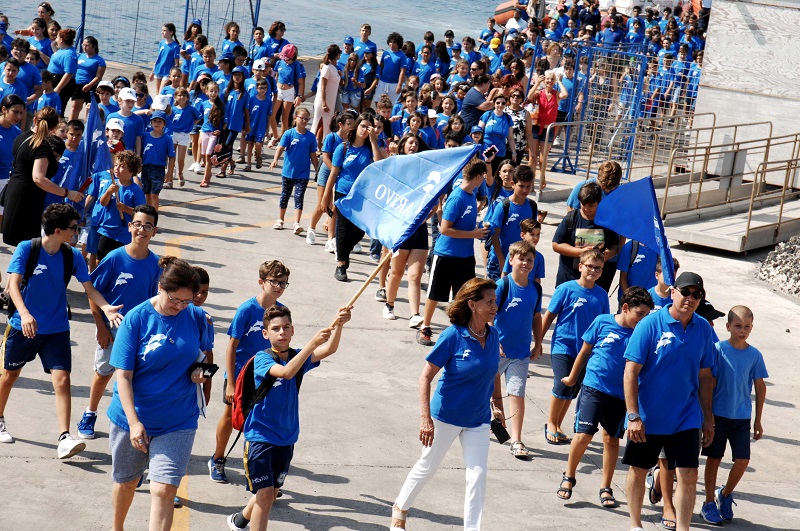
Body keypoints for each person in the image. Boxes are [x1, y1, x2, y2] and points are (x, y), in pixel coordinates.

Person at [0, 204, 123, 454]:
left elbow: (89, 288)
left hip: (56, 328)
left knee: (63, 380)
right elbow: (12, 285)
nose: (77, 232)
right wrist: (24, 314)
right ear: (58, 230)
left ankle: (64, 437)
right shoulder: (28, 249)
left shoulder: (72, 256)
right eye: (73, 228)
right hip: (22, 327)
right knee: (9, 376)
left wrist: (106, 308)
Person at [225, 304, 351, 531]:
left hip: (287, 437)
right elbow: (285, 372)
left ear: (292, 330)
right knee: (264, 497)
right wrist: (312, 344)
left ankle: (241, 519)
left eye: (286, 327)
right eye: (275, 329)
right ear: (265, 334)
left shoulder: (297, 357)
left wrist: (339, 324)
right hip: (260, 437)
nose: (281, 332)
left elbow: (329, 349)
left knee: (271, 493)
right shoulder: (261, 360)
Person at [108, 256, 212, 531]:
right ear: (160, 289)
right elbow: (123, 376)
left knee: (164, 490)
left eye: (186, 301)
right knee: (127, 482)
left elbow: (205, 359)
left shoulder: (197, 317)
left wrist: (200, 373)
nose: (180, 306)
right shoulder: (136, 319)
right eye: (174, 299)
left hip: (178, 420)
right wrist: (133, 423)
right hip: (133, 417)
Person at [392, 278, 499, 531]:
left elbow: (494, 373)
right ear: (472, 304)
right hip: (445, 417)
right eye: (490, 301)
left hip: (478, 420)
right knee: (427, 467)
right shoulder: (453, 335)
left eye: (495, 301)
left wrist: (497, 406)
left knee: (477, 477)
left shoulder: (493, 335)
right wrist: (425, 418)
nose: (496, 306)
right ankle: (400, 507)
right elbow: (425, 376)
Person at [623, 272, 716, 531]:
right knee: (639, 470)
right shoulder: (650, 325)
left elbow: (706, 376)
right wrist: (633, 415)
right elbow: (631, 371)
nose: (691, 298)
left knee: (688, 474)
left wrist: (708, 419)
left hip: (686, 416)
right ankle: (635, 524)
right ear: (672, 292)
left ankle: (684, 528)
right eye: (685, 292)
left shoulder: (704, 329)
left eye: (697, 294)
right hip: (648, 415)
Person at [556, 287, 653, 506]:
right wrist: (572, 378)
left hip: (620, 395)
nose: (642, 319)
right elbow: (584, 351)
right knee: (583, 435)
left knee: (611, 439)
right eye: (640, 314)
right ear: (625, 307)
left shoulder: (641, 334)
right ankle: (569, 476)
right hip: (594, 388)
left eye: (646, 316)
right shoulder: (602, 322)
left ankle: (606, 487)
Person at [75, 205, 161, 440]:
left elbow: (156, 301)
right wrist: (101, 327)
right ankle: (90, 412)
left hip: (140, 334)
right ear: (130, 226)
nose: (142, 230)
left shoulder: (155, 264)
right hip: (111, 331)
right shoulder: (114, 258)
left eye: (148, 226)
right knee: (103, 373)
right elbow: (92, 292)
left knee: (135, 379)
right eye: (138, 224)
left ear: (154, 231)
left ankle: (131, 420)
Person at [699, 305, 767, 525]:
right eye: (738, 326)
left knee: (743, 460)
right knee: (714, 458)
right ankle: (708, 502)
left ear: (751, 328)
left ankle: (725, 494)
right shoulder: (717, 350)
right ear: (728, 326)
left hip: (741, 418)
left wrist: (757, 420)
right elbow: (709, 383)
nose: (742, 330)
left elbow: (760, 386)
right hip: (718, 416)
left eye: (747, 326)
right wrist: (706, 417)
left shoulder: (755, 355)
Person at [417, 158, 490, 346]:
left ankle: (461, 330)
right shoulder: (457, 197)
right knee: (435, 293)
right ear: (478, 176)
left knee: (464, 297)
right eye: (483, 177)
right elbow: (445, 229)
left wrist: (478, 229)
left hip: (465, 257)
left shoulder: (471, 196)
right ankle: (425, 326)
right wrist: (474, 233)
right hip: (446, 254)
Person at [541, 248, 610, 445]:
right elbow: (549, 317)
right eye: (590, 266)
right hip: (564, 346)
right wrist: (538, 342)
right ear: (580, 266)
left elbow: (604, 324)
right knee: (562, 384)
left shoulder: (602, 295)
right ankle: (551, 423)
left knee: (572, 389)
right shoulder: (565, 289)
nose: (593, 271)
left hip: (586, 351)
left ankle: (558, 425)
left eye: (598, 268)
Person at [1, 106, 83, 246]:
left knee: (22, 247)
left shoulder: (21, 136)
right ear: (53, 129)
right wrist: (67, 193)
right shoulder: (42, 146)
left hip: (14, 193)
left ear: (35, 120)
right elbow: (39, 178)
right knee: (27, 247)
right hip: (27, 200)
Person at [492, 240, 542, 458]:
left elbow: (536, 317)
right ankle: (486, 421)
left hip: (520, 354)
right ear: (511, 260)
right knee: (490, 393)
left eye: (529, 260)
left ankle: (517, 439)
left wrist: (538, 343)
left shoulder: (535, 289)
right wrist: (493, 340)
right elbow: (488, 315)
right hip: (496, 351)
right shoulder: (503, 285)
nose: (525, 263)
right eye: (521, 258)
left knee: (517, 394)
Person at [321, 113, 386, 282]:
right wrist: (326, 196)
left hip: (363, 195)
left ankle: (343, 252)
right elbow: (334, 173)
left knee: (359, 230)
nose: (365, 130)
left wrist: (373, 140)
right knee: (343, 229)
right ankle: (341, 264)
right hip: (343, 192)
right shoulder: (343, 147)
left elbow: (378, 163)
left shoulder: (371, 148)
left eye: (368, 127)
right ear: (356, 126)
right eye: (363, 126)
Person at [382, 134, 430, 328]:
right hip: (401, 228)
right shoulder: (397, 166)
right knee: (397, 272)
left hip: (419, 229)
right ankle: (389, 304)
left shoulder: (424, 172)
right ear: (403, 146)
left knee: (415, 275)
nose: (413, 145)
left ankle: (414, 314)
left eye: (416, 143)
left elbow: (432, 201)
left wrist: (426, 216)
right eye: (410, 142)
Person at [552, 182, 619, 290]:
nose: (587, 208)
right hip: (569, 278)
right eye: (584, 204)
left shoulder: (607, 221)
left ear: (599, 202)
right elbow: (556, 245)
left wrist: (610, 253)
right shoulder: (571, 219)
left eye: (591, 205)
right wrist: (581, 252)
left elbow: (615, 245)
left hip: (596, 282)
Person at [269, 107, 318, 234]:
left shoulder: (311, 137)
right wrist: (275, 160)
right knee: (285, 195)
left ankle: (297, 223)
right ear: (295, 118)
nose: (304, 121)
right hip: (288, 171)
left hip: (303, 173)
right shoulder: (289, 133)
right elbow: (280, 148)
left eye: (307, 119)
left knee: (299, 197)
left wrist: (317, 169)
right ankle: (280, 219)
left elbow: (313, 155)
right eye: (302, 118)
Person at [485, 165, 537, 281]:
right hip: (499, 261)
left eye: (528, 186)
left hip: (520, 262)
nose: (525, 190)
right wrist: (501, 259)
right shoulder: (503, 206)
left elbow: (532, 234)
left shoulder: (532, 206)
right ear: (513, 184)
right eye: (521, 186)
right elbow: (495, 235)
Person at [94, 150, 146, 260]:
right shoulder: (110, 183)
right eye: (116, 165)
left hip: (124, 233)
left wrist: (125, 209)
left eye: (122, 166)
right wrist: (108, 192)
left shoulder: (135, 190)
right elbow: (103, 203)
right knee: (101, 259)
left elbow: (140, 213)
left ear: (132, 170)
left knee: (119, 260)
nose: (117, 169)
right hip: (107, 229)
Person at [140, 111, 175, 207]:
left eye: (160, 121)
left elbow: (172, 157)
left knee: (154, 194)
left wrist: (169, 174)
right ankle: (148, 212)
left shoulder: (167, 139)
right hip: (146, 167)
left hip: (158, 169)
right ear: (151, 122)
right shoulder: (145, 136)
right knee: (147, 193)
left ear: (164, 124)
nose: (157, 123)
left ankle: (154, 215)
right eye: (154, 121)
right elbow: (139, 151)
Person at [311, 44, 341, 147]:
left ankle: (319, 147)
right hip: (323, 101)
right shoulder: (327, 68)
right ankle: (310, 146)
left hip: (331, 100)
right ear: (337, 55)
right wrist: (324, 103)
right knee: (318, 123)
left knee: (325, 125)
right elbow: (322, 87)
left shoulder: (333, 68)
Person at [69, 36, 105, 121]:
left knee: (90, 109)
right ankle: (71, 125)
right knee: (75, 107)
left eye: (87, 45)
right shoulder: (80, 56)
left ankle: (88, 126)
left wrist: (89, 85)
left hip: (91, 86)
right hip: (78, 85)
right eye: (83, 45)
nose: (84, 47)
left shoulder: (99, 60)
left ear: (93, 46)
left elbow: (99, 76)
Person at [501, 218, 544, 284]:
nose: (536, 238)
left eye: (538, 234)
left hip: (528, 291)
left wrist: (536, 293)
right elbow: (504, 273)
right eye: (532, 234)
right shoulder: (513, 253)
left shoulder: (539, 257)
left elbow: (537, 279)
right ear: (522, 235)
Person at [47, 28, 78, 116]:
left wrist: (58, 88)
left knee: (57, 108)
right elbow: (57, 56)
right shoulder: (62, 50)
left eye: (57, 37)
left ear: (61, 40)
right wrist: (53, 43)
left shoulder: (69, 54)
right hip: (52, 78)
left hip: (61, 81)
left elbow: (69, 73)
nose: (55, 39)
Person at [376, 33, 407, 105]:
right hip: (382, 81)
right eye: (390, 42)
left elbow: (402, 71)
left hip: (394, 83)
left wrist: (399, 85)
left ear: (398, 43)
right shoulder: (385, 53)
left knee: (392, 103)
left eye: (394, 42)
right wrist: (378, 79)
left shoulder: (402, 55)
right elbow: (381, 66)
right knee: (378, 100)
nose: (392, 44)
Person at [151, 23, 180, 93]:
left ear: (171, 32)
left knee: (161, 93)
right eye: (162, 30)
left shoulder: (175, 46)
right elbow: (159, 58)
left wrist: (171, 76)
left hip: (167, 73)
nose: (162, 32)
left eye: (164, 30)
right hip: (158, 70)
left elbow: (176, 64)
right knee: (157, 94)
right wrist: (152, 72)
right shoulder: (161, 43)